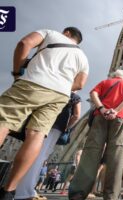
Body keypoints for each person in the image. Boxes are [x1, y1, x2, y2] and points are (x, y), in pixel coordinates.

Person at [0, 27, 88, 199]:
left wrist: (17, 73)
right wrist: (60, 86)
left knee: (3, 122)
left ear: (67, 33)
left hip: (33, 82)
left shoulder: (51, 33)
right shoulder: (83, 57)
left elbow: (24, 43)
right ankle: (9, 190)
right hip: (59, 95)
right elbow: (80, 84)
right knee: (37, 135)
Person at [68, 69, 123, 200]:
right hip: (120, 118)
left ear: (114, 75)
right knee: (116, 155)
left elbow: (93, 93)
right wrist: (115, 111)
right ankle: (111, 195)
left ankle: (78, 193)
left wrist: (102, 109)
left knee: (91, 152)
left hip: (100, 116)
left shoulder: (105, 82)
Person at [14, 92, 82, 200]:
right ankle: (24, 193)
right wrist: (67, 127)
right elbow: (77, 115)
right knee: (38, 158)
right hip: (54, 127)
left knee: (34, 155)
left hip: (37, 122)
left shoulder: (52, 89)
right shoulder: (73, 96)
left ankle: (22, 189)